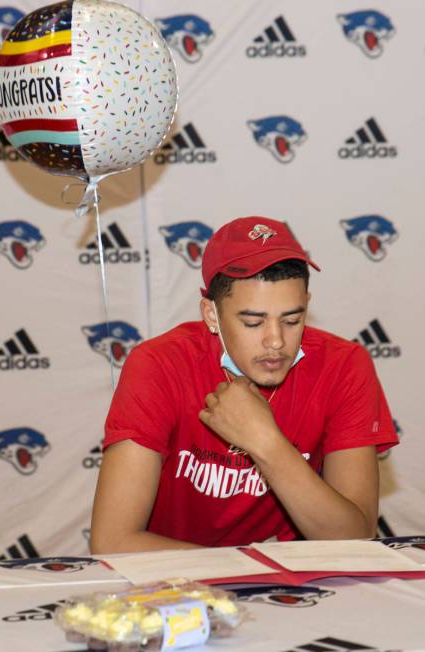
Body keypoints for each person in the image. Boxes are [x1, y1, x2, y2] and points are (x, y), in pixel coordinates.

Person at [90, 216, 398, 553]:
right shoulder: (158, 365)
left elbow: (355, 541)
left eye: (293, 320)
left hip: (296, 593)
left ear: (308, 305)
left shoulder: (344, 365)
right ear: (211, 315)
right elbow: (112, 542)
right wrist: (246, 570)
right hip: (177, 589)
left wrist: (265, 442)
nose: (276, 341)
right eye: (253, 322)